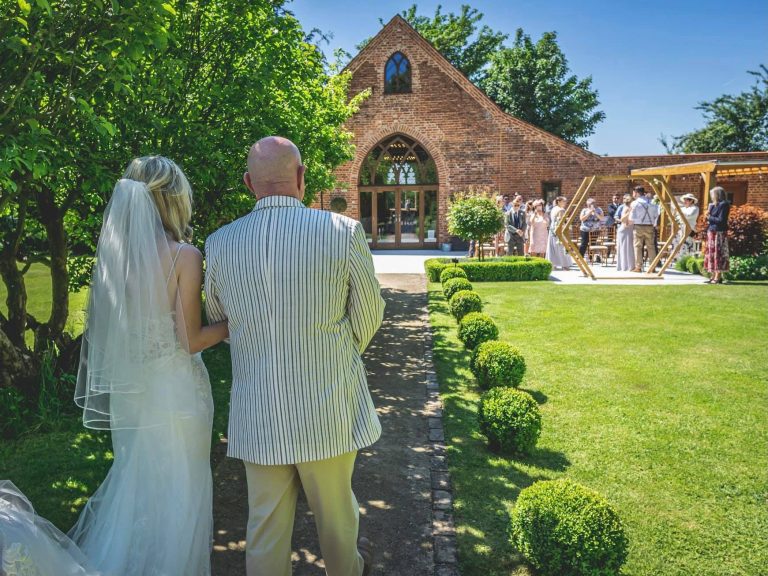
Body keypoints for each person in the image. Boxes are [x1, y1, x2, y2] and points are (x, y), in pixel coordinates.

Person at [1, 156, 229, 575]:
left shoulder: (117, 260)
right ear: (172, 201)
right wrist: (231, 325)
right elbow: (191, 339)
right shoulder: (184, 256)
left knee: (138, 481)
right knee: (181, 486)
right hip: (177, 393)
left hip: (137, 392)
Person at [204, 136, 384, 576]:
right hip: (328, 405)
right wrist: (333, 354)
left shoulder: (220, 243)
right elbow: (369, 313)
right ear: (302, 177)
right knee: (339, 522)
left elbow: (220, 317)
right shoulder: (342, 232)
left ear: (249, 183)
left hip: (258, 408)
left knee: (264, 530)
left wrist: (264, 344)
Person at [704, 186, 731, 284]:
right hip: (711, 231)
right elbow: (709, 219)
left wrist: (709, 217)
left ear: (717, 195)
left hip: (719, 233)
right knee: (711, 254)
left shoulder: (724, 205)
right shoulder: (712, 205)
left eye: (712, 194)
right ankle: (712, 275)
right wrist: (708, 215)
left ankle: (718, 276)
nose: (711, 196)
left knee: (718, 254)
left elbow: (721, 220)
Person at [628, 185, 658, 272]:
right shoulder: (652, 202)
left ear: (636, 193)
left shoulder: (635, 203)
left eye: (633, 192)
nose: (633, 194)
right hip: (650, 226)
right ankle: (652, 267)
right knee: (651, 246)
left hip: (638, 226)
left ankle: (638, 267)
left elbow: (631, 218)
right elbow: (656, 215)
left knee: (637, 246)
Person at [545, 196, 573, 270]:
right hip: (559, 230)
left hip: (552, 230)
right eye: (564, 201)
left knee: (553, 247)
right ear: (559, 202)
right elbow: (561, 221)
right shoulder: (561, 210)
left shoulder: (553, 209)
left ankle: (553, 264)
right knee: (562, 247)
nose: (565, 203)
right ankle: (565, 265)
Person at [673, 193, 700, 259]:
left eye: (686, 200)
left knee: (688, 246)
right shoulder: (682, 208)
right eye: (684, 200)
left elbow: (689, 215)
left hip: (689, 230)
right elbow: (676, 217)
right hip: (680, 230)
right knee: (679, 246)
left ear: (691, 201)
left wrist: (679, 212)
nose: (684, 201)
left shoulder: (695, 208)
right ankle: (678, 260)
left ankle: (686, 260)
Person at [615, 194, 635, 272]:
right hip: (624, 230)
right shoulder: (626, 208)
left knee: (629, 248)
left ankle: (628, 266)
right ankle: (625, 266)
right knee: (625, 248)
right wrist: (629, 212)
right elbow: (623, 220)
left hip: (629, 229)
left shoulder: (629, 208)